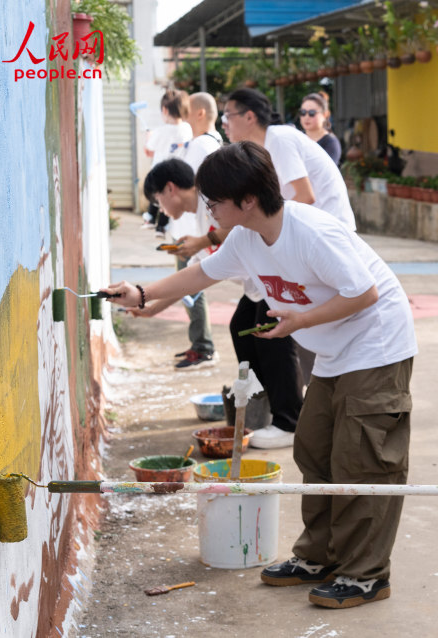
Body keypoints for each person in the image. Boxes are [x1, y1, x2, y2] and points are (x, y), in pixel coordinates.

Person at [103, 141, 418, 608]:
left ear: (247, 200)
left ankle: (366, 574)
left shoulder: (310, 232)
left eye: (215, 200)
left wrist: (300, 322)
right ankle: (320, 556)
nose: (208, 208)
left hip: (376, 345)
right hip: (334, 351)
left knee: (363, 459)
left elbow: (365, 293)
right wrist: (142, 294)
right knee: (315, 450)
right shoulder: (246, 239)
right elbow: (199, 276)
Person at [220, 88, 356, 448]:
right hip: (295, 238)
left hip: (320, 240)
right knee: (242, 325)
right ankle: (269, 405)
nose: (224, 124)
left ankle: (288, 419)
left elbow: (305, 196)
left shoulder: (277, 139)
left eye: (228, 116)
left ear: (249, 116)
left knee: (269, 324)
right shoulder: (262, 149)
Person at [155, 92, 223, 369]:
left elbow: (188, 188)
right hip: (195, 231)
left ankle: (203, 346)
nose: (182, 116)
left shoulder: (200, 146)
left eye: (188, 110)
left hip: (193, 233)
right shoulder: (210, 142)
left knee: (191, 285)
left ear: (201, 113)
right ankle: (201, 345)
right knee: (190, 284)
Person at [137, 159, 219, 368]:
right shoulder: (201, 217)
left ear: (170, 188)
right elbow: (191, 280)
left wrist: (203, 241)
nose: (161, 211)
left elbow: (242, 229)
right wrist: (151, 309)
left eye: (158, 201)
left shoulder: (215, 203)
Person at [144, 89, 192, 235]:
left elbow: (148, 151)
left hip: (159, 171)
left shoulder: (160, 132)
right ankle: (162, 227)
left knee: (156, 197)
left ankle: (150, 219)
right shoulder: (187, 129)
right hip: (177, 173)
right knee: (168, 200)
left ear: (164, 110)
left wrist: (148, 137)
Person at [299, 91, 342, 165]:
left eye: (311, 113)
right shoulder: (298, 137)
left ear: (325, 114)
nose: (306, 117)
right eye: (303, 112)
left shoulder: (331, 142)